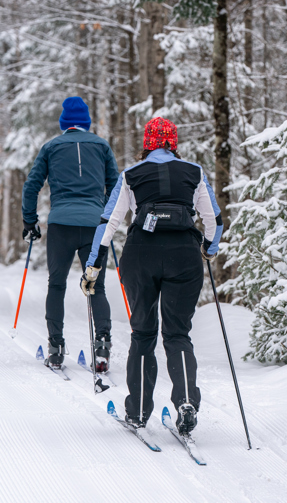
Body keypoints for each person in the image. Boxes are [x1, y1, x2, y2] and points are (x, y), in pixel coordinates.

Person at [80, 117, 222, 435]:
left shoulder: (131, 174)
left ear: (147, 143)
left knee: (143, 334)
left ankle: (140, 411)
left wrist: (93, 267)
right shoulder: (194, 172)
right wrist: (209, 250)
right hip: (184, 255)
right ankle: (186, 400)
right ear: (174, 143)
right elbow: (214, 219)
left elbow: (108, 222)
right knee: (177, 334)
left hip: (141, 255)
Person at [22, 96, 119, 370]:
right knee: (96, 287)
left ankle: (55, 347)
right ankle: (102, 346)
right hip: (94, 225)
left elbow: (31, 187)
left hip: (61, 224)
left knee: (56, 284)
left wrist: (30, 221)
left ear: (64, 123)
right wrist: (108, 218)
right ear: (86, 122)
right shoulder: (101, 146)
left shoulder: (51, 147)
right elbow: (116, 186)